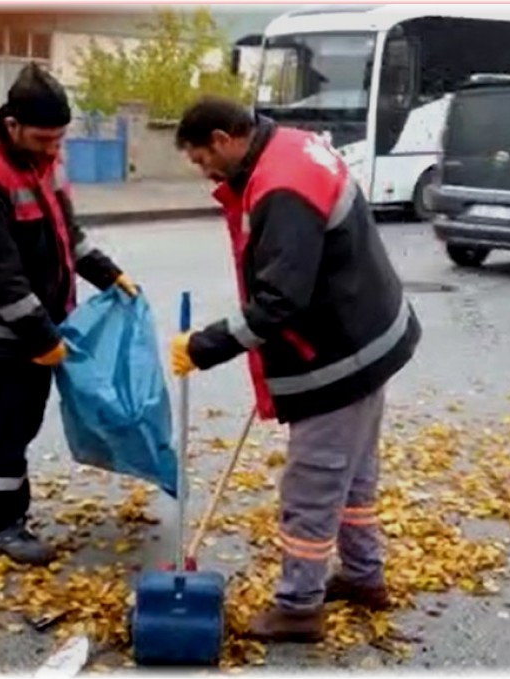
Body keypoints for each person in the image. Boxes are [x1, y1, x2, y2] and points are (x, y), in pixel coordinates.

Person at [169, 96, 421, 642]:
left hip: (338, 354)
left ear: (221, 139)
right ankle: (363, 576)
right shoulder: (288, 146)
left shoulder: (280, 185)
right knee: (353, 476)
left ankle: (300, 607)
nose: (203, 172)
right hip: (367, 336)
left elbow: (281, 302)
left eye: (199, 159)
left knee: (312, 484)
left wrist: (204, 345)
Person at [0, 63, 137, 566]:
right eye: (45, 139)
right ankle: (5, 522)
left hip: (33, 325)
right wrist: (41, 336)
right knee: (8, 425)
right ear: (12, 126)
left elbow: (66, 231)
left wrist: (107, 273)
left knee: (15, 422)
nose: (54, 149)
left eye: (59, 139)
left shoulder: (43, 159)